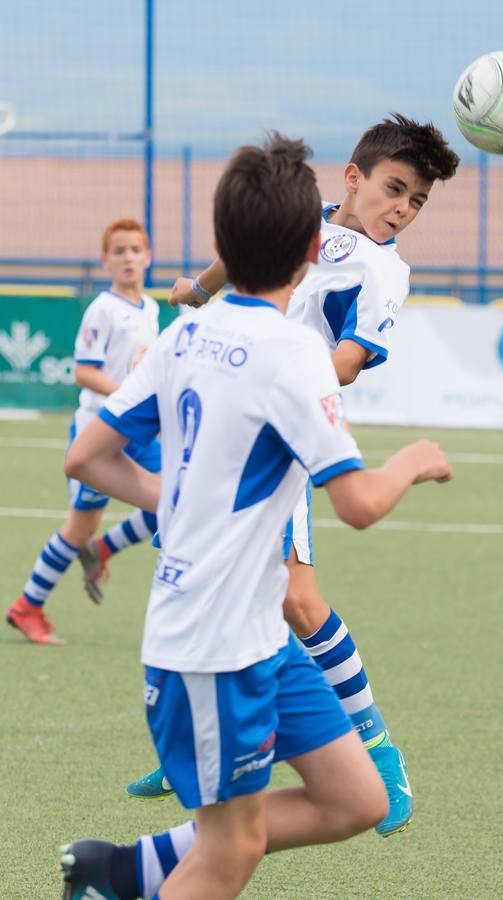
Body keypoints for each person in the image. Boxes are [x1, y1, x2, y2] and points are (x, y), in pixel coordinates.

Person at [60, 134, 453, 900]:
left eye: (416, 200)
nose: (403, 209)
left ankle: (123, 863)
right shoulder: (287, 355)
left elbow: (85, 458)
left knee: (358, 799)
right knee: (231, 852)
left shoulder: (190, 338)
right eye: (396, 189)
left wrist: (174, 490)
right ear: (318, 228)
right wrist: (413, 459)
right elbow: (362, 505)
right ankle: (164, 831)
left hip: (252, 637)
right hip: (212, 643)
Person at [5, 219, 161, 644]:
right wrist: (131, 396)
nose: (128, 258)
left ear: (149, 257)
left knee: (172, 499)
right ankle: (27, 607)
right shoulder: (102, 309)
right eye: (119, 251)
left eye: (135, 250)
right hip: (101, 433)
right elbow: (84, 372)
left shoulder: (150, 308)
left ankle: (104, 549)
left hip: (138, 432)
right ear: (105, 260)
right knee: (79, 527)